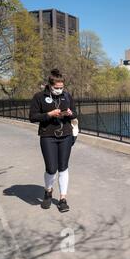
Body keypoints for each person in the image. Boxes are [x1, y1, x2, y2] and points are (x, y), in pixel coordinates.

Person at [29, 69, 78, 213]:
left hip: (66, 135)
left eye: (61, 87)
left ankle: (63, 199)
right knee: (51, 168)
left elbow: (75, 113)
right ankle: (48, 191)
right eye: (56, 88)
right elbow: (33, 117)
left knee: (63, 167)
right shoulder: (39, 97)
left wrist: (70, 113)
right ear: (50, 85)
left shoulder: (67, 96)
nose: (59, 90)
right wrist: (49, 114)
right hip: (48, 136)